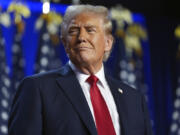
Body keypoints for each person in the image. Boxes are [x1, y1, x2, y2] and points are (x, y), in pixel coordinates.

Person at [8, 4, 153, 135]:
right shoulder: (37, 89)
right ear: (65, 43)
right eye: (73, 31)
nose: (81, 37)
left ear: (108, 43)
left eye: (90, 30)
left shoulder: (134, 99)